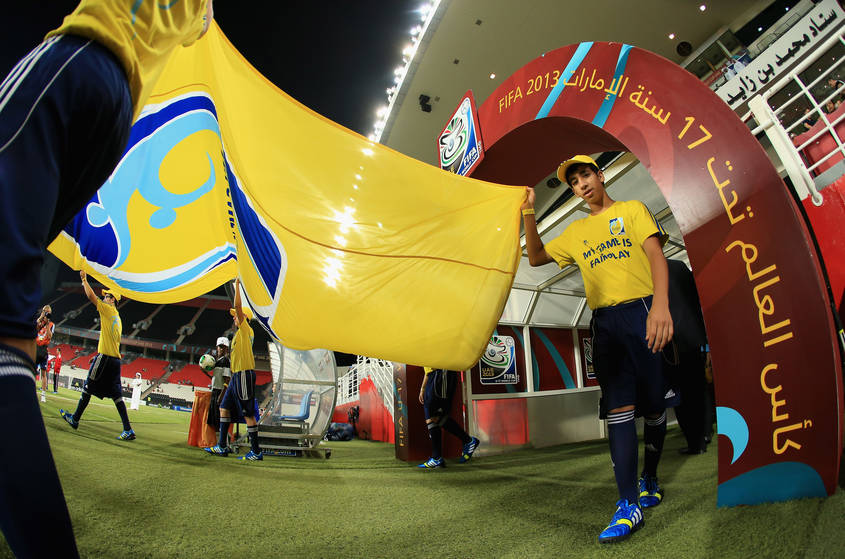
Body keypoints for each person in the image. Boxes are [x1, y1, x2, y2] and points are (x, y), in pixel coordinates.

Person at [0, 2, 213, 555]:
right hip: (114, 112)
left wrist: (92, 284)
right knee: (14, 335)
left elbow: (95, 297)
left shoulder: (110, 311)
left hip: (83, 57)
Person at [521, 155, 676, 544]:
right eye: (573, 181)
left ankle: (650, 478)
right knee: (619, 409)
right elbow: (537, 257)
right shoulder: (576, 232)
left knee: (654, 406)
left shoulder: (631, 210)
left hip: (642, 311)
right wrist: (527, 213)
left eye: (585, 174)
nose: (581, 184)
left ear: (600, 175)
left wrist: (660, 306)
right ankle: (628, 505)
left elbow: (657, 255)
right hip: (604, 324)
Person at [60, 271, 136, 441]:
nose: (104, 297)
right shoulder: (117, 317)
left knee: (88, 387)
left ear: (113, 300)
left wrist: (84, 280)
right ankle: (128, 429)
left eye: (107, 296)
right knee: (117, 396)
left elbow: (91, 296)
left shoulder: (109, 310)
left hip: (106, 358)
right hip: (114, 361)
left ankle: (75, 419)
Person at [204, 279, 263, 461]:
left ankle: (256, 451)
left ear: (243, 317)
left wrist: (237, 285)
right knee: (224, 408)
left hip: (244, 374)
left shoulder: (246, 330)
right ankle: (222, 446)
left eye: (236, 315)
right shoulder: (239, 333)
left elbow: (238, 306)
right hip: (237, 376)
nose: (234, 317)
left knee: (248, 414)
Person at [665, 260, 710, 455]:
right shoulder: (679, 266)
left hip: (674, 341)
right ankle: (704, 434)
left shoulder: (650, 271)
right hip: (694, 336)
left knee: (680, 395)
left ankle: (694, 441)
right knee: (699, 390)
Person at [417, 367, 479, 469]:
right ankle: (437, 458)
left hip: (441, 373)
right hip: (433, 376)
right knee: (432, 417)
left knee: (434, 416)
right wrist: (423, 387)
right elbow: (427, 367)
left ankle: (467, 441)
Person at [205, 336, 232, 444]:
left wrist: (221, 396)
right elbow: (216, 379)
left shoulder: (225, 361)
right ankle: (222, 443)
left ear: (226, 349)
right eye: (219, 347)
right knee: (215, 422)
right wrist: (205, 372)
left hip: (219, 392)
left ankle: (223, 444)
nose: (220, 349)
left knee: (219, 421)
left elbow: (227, 379)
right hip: (216, 391)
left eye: (223, 347)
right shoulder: (217, 361)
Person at [35, 305, 55, 397]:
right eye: (45, 311)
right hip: (35, 348)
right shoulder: (39, 321)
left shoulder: (51, 324)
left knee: (43, 373)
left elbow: (50, 336)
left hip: (43, 350)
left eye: (48, 312)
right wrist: (41, 318)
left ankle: (43, 394)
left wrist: (47, 325)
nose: (46, 314)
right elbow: (35, 330)